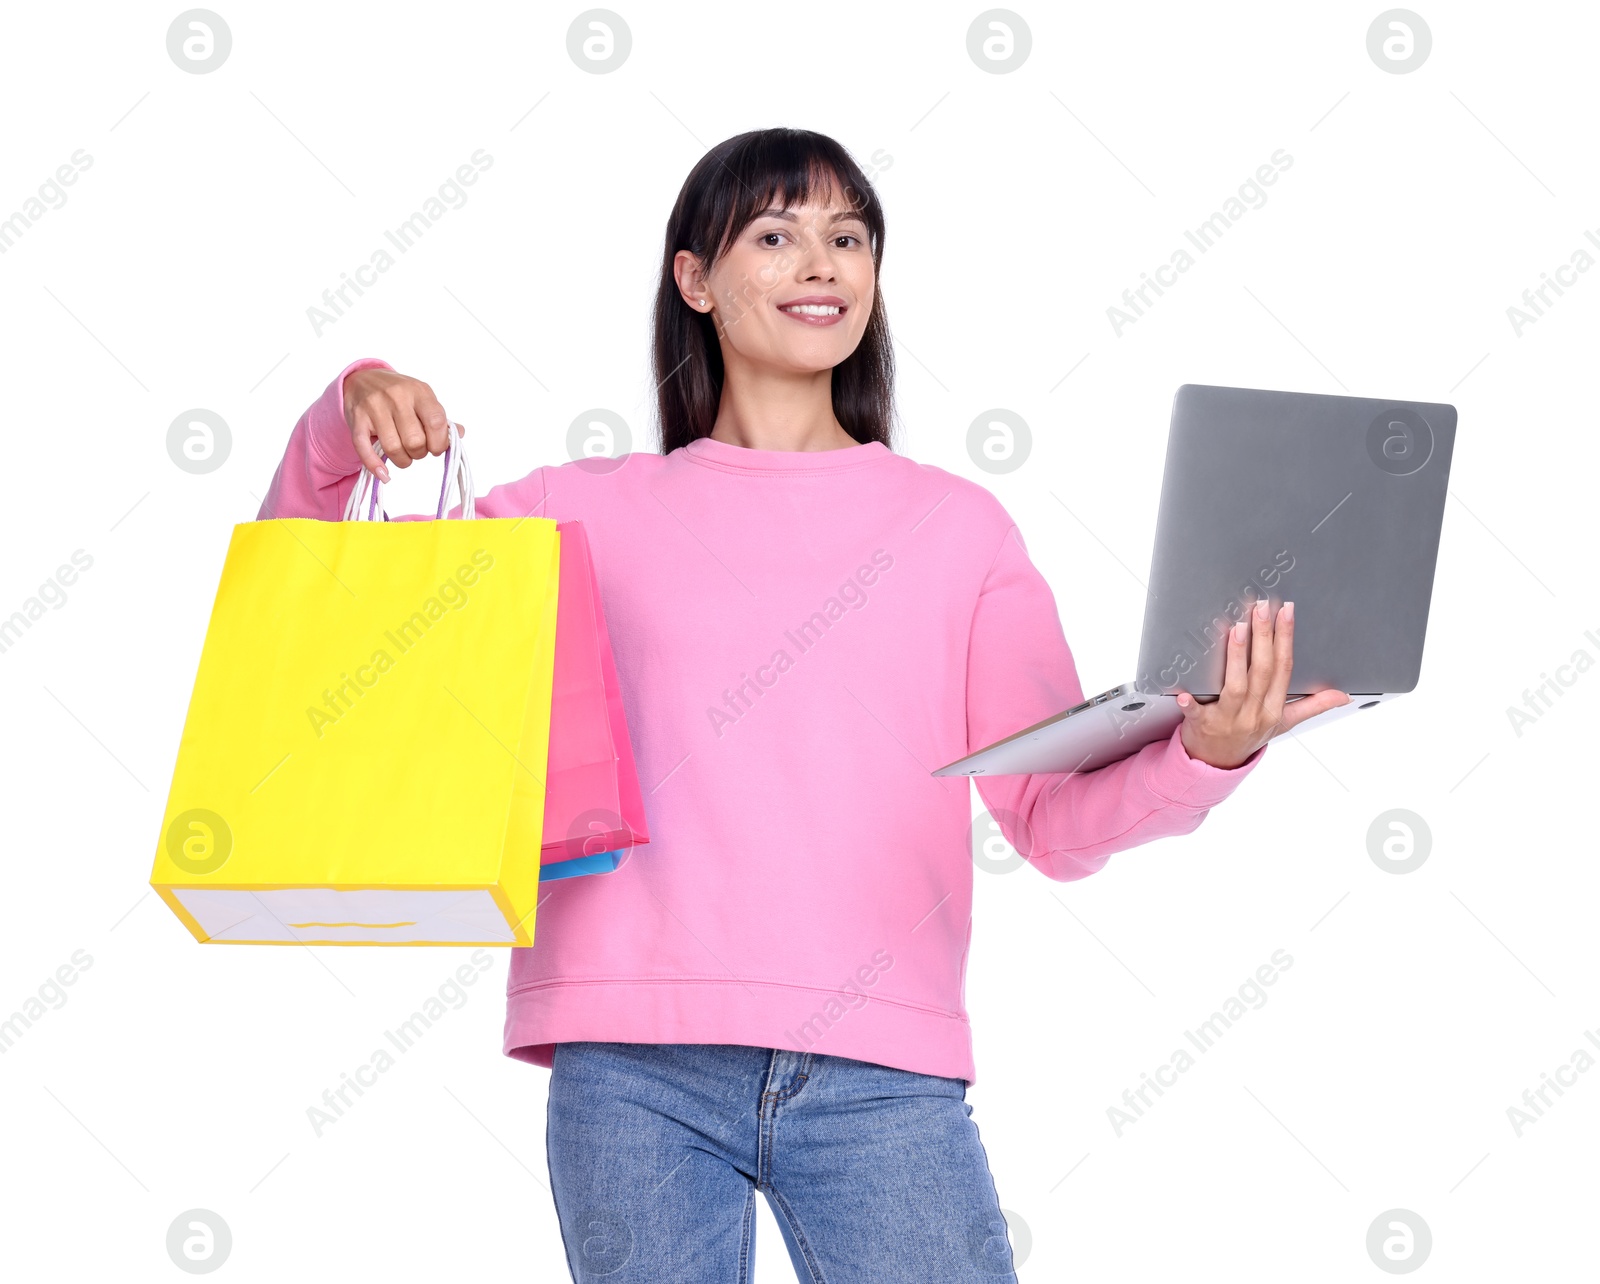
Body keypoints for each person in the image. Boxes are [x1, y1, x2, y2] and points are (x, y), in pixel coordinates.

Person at [260, 127, 1346, 1284]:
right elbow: (318, 622)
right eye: (774, 236)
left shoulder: (956, 531)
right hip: (631, 1067)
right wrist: (345, 412)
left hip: (882, 1074)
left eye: (846, 238)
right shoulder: (569, 518)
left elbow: (1051, 821)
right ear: (695, 281)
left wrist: (1208, 751)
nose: (819, 263)